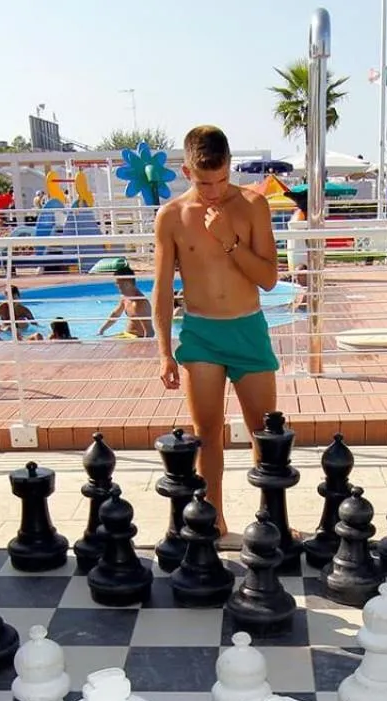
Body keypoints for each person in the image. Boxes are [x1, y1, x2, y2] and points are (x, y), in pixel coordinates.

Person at [153, 124, 282, 538]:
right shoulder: (172, 216)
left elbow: (268, 279)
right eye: (205, 181)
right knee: (206, 434)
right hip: (201, 335)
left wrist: (229, 242)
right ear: (188, 171)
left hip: (248, 330)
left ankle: (271, 519)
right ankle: (214, 519)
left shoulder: (252, 205)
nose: (215, 190)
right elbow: (160, 288)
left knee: (266, 432)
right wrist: (162, 351)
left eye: (223, 178)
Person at [97, 264, 155, 338]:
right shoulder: (125, 298)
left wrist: (143, 346)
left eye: (118, 283)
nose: (116, 285)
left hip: (137, 338)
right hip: (127, 335)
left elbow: (150, 332)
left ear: (127, 283)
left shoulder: (140, 303)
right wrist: (101, 330)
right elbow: (115, 314)